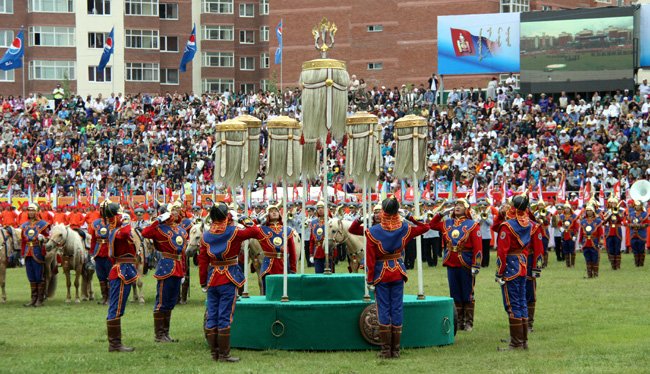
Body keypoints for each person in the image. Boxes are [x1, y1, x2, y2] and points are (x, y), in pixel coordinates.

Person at [198, 202, 268, 363]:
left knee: (212, 315)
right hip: (228, 276)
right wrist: (245, 219)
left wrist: (203, 282)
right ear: (227, 216)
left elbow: (202, 261)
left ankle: (214, 353)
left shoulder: (206, 235)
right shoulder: (234, 232)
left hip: (212, 277)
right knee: (224, 315)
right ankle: (224, 354)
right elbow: (256, 231)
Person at [365, 197, 434, 359]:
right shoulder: (404, 228)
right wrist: (409, 216)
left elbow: (370, 260)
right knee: (396, 308)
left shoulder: (372, 232)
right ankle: (395, 350)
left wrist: (370, 280)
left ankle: (385, 350)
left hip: (381, 273)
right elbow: (426, 227)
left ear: (383, 211)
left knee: (383, 309)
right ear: (397, 211)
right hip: (397, 271)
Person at [495, 195, 541, 351]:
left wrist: (499, 272)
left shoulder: (507, 226)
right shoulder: (529, 224)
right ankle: (523, 341)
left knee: (512, 304)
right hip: (523, 264)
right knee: (521, 303)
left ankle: (516, 343)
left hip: (510, 266)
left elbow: (502, 251)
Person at [429, 199, 482, 332]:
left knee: (467, 292)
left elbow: (478, 247)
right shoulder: (447, 223)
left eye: (461, 205)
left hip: (466, 262)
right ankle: (458, 322)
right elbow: (431, 225)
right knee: (455, 293)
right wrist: (441, 213)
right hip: (451, 261)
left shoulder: (473, 225)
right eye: (456, 205)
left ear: (466, 209)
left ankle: (469, 322)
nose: (457, 207)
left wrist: (476, 265)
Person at [141, 201, 188, 343]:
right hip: (166, 266)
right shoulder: (160, 228)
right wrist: (158, 219)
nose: (176, 213)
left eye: (178, 210)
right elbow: (145, 233)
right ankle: (159, 334)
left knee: (172, 301)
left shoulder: (181, 230)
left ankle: (166, 333)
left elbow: (183, 253)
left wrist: (184, 271)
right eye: (173, 210)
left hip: (178, 266)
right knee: (162, 300)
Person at [103, 201, 138, 352]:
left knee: (119, 308)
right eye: (119, 214)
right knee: (115, 308)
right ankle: (115, 344)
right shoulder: (115, 231)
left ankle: (116, 343)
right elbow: (124, 233)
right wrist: (126, 220)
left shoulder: (117, 229)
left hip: (126, 268)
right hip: (120, 271)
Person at [258, 201, 297, 294]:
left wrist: (293, 269)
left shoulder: (287, 230)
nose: (274, 212)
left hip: (283, 265)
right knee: (268, 293)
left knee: (284, 293)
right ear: (268, 215)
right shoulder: (262, 229)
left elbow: (292, 251)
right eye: (271, 211)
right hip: (268, 266)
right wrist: (259, 219)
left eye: (276, 210)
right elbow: (249, 226)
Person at [20, 203, 50, 307]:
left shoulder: (43, 224)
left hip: (38, 251)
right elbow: (23, 242)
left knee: (39, 276)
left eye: (33, 210)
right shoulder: (24, 225)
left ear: (37, 212)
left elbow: (49, 238)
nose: (31, 212)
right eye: (29, 210)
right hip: (28, 252)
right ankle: (33, 298)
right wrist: (22, 255)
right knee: (31, 276)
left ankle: (40, 299)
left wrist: (44, 238)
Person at [89, 212, 112, 305]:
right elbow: (93, 239)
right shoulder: (96, 223)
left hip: (109, 252)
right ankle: (104, 297)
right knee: (101, 276)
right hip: (98, 252)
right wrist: (91, 252)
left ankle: (110, 298)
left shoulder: (113, 223)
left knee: (110, 276)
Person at [309, 201, 335, 273]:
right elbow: (311, 239)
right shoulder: (313, 222)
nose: (320, 210)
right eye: (318, 208)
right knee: (318, 275)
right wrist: (311, 254)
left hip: (328, 251)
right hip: (317, 252)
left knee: (329, 275)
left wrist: (335, 253)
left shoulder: (330, 221)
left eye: (322, 208)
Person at [578, 205, 604, 278]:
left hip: (594, 242)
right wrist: (580, 242)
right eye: (587, 210)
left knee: (595, 258)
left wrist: (601, 242)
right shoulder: (583, 221)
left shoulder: (598, 221)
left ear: (593, 211)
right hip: (585, 242)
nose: (589, 212)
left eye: (590, 210)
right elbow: (581, 234)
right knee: (587, 259)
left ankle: (595, 274)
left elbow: (601, 233)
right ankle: (589, 274)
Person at [604, 197, 625, 270]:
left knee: (617, 248)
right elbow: (604, 221)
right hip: (610, 231)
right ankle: (613, 265)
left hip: (617, 230)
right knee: (610, 248)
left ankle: (618, 265)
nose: (612, 204)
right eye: (611, 203)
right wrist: (610, 214)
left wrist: (616, 213)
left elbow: (621, 219)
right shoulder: (608, 211)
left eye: (614, 203)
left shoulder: (620, 211)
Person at [629, 201, 649, 267]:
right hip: (633, 234)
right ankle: (636, 263)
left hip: (641, 234)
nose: (637, 207)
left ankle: (641, 263)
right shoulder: (631, 214)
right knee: (634, 249)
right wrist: (630, 225)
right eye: (636, 205)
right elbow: (626, 222)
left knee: (641, 249)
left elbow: (647, 223)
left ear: (641, 206)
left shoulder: (645, 214)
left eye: (638, 205)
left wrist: (641, 226)